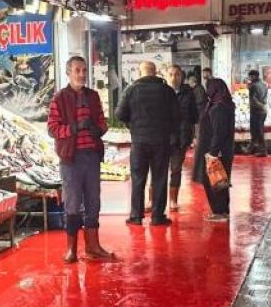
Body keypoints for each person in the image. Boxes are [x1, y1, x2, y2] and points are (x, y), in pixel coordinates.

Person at [47, 56, 115, 263]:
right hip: (71, 159)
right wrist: (74, 128)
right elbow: (52, 129)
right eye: (77, 70)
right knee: (73, 204)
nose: (82, 74)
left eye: (84, 70)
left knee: (93, 202)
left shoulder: (93, 97)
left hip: (92, 157)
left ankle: (93, 247)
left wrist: (96, 129)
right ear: (68, 72)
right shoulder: (59, 98)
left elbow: (103, 123)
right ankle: (71, 249)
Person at [116, 61, 181, 226]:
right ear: (155, 72)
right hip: (161, 142)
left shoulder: (131, 90)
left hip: (139, 142)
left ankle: (136, 216)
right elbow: (177, 115)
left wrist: (133, 124)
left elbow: (120, 114)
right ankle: (158, 217)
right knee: (159, 178)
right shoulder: (167, 91)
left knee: (138, 179)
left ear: (140, 72)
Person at [194, 77, 235, 222]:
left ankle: (220, 211)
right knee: (220, 180)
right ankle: (222, 210)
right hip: (221, 150)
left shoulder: (219, 108)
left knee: (214, 180)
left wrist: (212, 152)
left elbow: (219, 132)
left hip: (216, 151)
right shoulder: (224, 104)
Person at [167, 64, 198, 212]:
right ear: (167, 76)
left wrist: (192, 135)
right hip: (162, 138)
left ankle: (173, 200)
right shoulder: (161, 92)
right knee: (156, 170)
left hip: (181, 138)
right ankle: (151, 200)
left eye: (177, 74)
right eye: (171, 74)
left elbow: (194, 116)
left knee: (176, 169)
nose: (174, 78)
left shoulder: (188, 93)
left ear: (182, 76)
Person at [246, 69, 269, 156]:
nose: (250, 78)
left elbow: (253, 100)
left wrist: (260, 106)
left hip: (256, 111)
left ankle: (262, 151)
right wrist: (263, 106)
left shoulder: (253, 86)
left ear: (254, 76)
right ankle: (252, 148)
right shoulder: (264, 84)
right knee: (259, 130)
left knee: (256, 131)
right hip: (262, 110)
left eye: (251, 76)